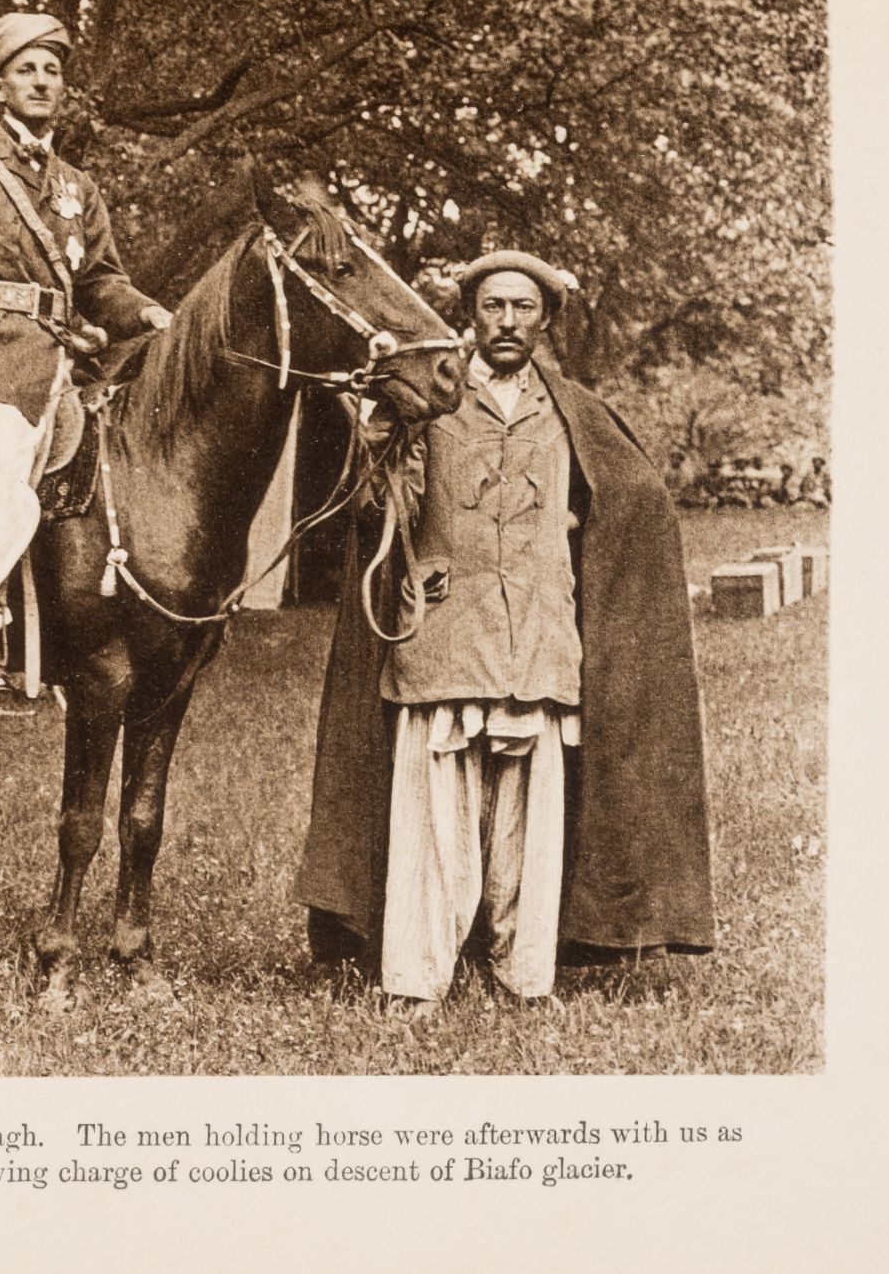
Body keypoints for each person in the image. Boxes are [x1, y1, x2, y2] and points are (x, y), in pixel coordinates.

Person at [294, 250, 713, 1011]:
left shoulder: (572, 411)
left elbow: (631, 499)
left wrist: (581, 529)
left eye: (523, 308)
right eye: (494, 307)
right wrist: (382, 439)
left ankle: (526, 976)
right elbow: (379, 503)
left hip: (540, 640)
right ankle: (418, 979)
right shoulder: (430, 401)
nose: (508, 322)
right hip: (445, 634)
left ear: (544, 319)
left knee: (530, 822)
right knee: (436, 817)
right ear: (472, 315)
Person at [0, 11, 173, 691]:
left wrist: (148, 311)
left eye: (52, 70)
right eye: (27, 69)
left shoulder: (79, 186)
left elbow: (100, 281)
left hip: (61, 366)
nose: (43, 81)